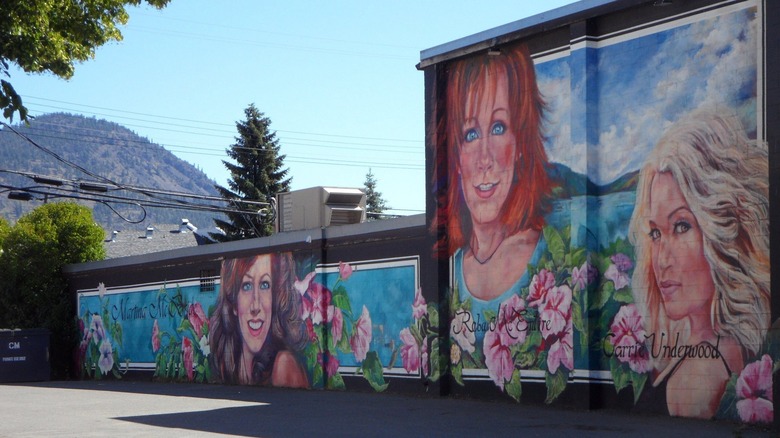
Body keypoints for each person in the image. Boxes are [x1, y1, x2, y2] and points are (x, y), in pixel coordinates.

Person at [628, 109, 770, 418]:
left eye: (681, 226)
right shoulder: (713, 346)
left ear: (721, 230)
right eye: (655, 232)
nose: (661, 260)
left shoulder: (701, 375)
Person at [430, 43, 553, 343]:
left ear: (521, 143)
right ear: (456, 156)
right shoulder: (451, 268)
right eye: (470, 134)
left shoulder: (552, 257)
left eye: (498, 128)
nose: (485, 159)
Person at [210, 252, 309, 387]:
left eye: (264, 285)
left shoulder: (284, 366)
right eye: (247, 286)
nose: (255, 305)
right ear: (234, 303)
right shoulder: (227, 366)